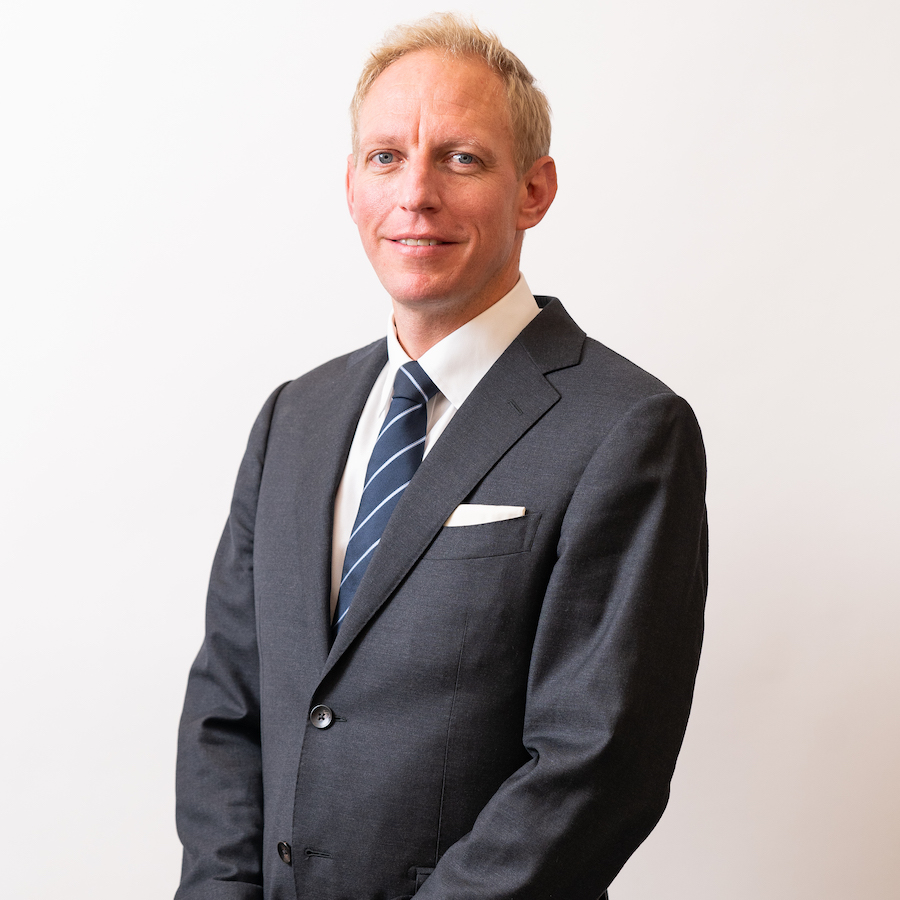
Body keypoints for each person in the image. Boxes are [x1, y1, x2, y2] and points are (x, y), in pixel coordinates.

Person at [175, 13, 708, 900]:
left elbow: (596, 764)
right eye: (386, 157)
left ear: (534, 190)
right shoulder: (293, 419)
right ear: (351, 186)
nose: (415, 192)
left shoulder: (627, 429)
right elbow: (229, 711)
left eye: (461, 158)